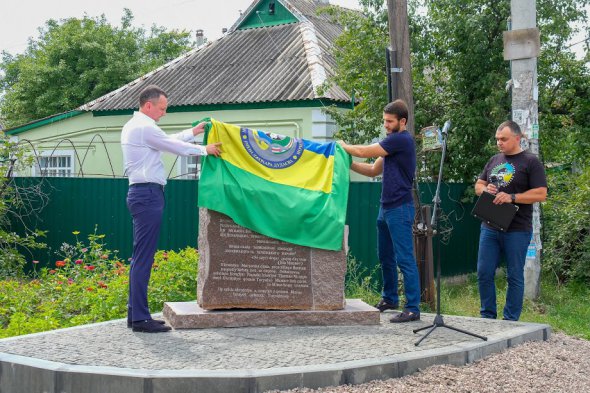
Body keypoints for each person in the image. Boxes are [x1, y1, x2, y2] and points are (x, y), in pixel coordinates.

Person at [122, 85, 221, 333]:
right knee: (143, 258)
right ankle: (141, 319)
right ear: (148, 105)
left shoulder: (138, 126)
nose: (164, 113)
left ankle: (135, 314)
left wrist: (193, 132)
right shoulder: (144, 127)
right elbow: (173, 147)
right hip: (147, 194)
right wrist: (204, 150)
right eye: (162, 108)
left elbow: (167, 140)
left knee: (140, 257)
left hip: (142, 193)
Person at [339, 99, 421, 323]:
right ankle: (390, 298)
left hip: (400, 208)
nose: (385, 125)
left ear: (402, 121)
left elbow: (364, 151)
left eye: (389, 121)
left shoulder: (401, 140)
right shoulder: (391, 143)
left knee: (405, 259)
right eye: (384, 121)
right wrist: (348, 163)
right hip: (386, 208)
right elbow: (372, 169)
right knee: (385, 256)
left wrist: (343, 146)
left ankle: (413, 308)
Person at [475, 120, 547, 321]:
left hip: (517, 228)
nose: (499, 143)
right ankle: (487, 317)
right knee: (483, 272)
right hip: (489, 225)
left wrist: (512, 197)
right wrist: (485, 190)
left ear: (517, 138)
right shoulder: (494, 160)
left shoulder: (530, 162)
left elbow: (541, 194)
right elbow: (478, 185)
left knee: (514, 275)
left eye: (504, 139)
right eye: (497, 139)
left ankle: (510, 321)